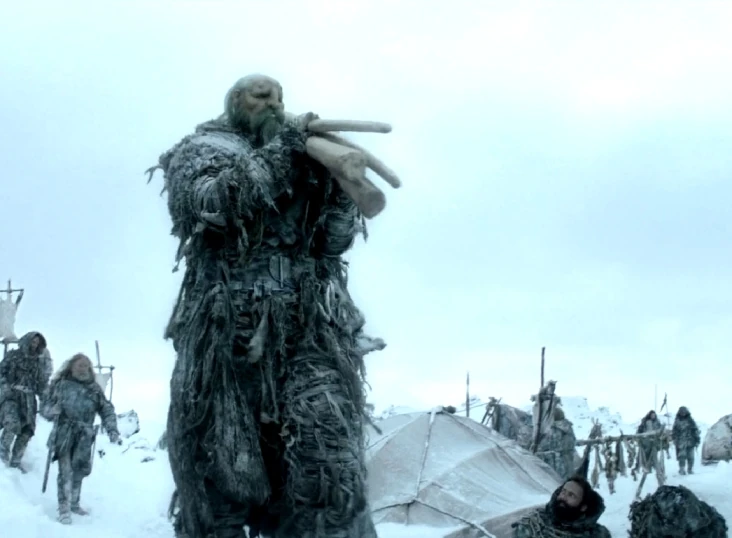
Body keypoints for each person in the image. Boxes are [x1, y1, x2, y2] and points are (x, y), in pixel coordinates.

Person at [149, 73, 385, 538]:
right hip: (226, 336)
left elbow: (331, 246)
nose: (274, 103)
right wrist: (285, 149)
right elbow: (216, 205)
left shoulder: (303, 159)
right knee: (220, 471)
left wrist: (339, 192)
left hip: (308, 331)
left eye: (279, 96)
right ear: (235, 101)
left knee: (329, 465)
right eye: (262, 95)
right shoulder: (201, 149)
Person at [40, 353, 121, 525]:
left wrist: (112, 429)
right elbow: (45, 407)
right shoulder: (60, 385)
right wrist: (51, 410)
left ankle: (74, 503)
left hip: (85, 435)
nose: (83, 369)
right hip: (64, 433)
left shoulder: (94, 389)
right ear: (71, 367)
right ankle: (64, 508)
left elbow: (106, 409)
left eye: (86, 366)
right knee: (65, 471)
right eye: (79, 365)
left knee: (79, 471)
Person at [0, 331, 50, 470]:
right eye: (33, 341)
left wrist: (47, 399)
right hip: (12, 397)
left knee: (27, 431)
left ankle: (16, 461)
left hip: (29, 400)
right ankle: (2, 456)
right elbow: (1, 373)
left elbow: (41, 384)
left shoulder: (38, 362)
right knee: (12, 424)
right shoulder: (13, 356)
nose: (34, 345)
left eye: (37, 343)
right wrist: (6, 388)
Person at [512, 476, 611, 538]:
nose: (563, 497)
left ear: (583, 507)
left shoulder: (598, 534)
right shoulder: (533, 523)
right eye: (563, 491)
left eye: (571, 495)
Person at [671, 406, 700, 475]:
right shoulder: (677, 421)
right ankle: (682, 469)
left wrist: (697, 439)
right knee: (682, 456)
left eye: (684, 412)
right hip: (681, 442)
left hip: (691, 441)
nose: (683, 413)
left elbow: (695, 430)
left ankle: (690, 469)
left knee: (691, 457)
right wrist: (674, 439)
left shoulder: (691, 421)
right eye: (682, 412)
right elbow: (674, 431)